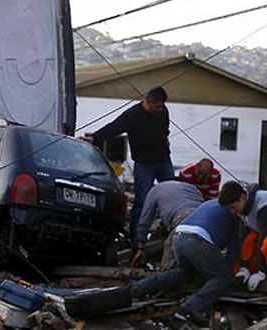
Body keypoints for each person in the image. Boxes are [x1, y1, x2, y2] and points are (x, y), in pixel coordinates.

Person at [81, 86, 173, 242]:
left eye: (162, 106)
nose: (160, 109)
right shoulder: (132, 115)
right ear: (148, 101)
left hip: (164, 160)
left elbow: (165, 129)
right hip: (144, 164)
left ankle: (169, 229)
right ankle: (136, 235)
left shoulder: (163, 111)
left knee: (171, 195)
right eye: (157, 106)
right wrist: (95, 138)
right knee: (142, 200)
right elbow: (114, 128)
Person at [129, 200, 243, 325]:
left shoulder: (211, 203)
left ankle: (140, 288)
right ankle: (191, 307)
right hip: (197, 239)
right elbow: (233, 252)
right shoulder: (236, 216)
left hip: (179, 235)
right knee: (221, 277)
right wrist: (231, 275)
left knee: (184, 272)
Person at [131, 181, 204, 269]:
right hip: (203, 218)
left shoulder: (153, 192)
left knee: (167, 268)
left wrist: (140, 247)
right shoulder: (191, 188)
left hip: (182, 221)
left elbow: (144, 221)